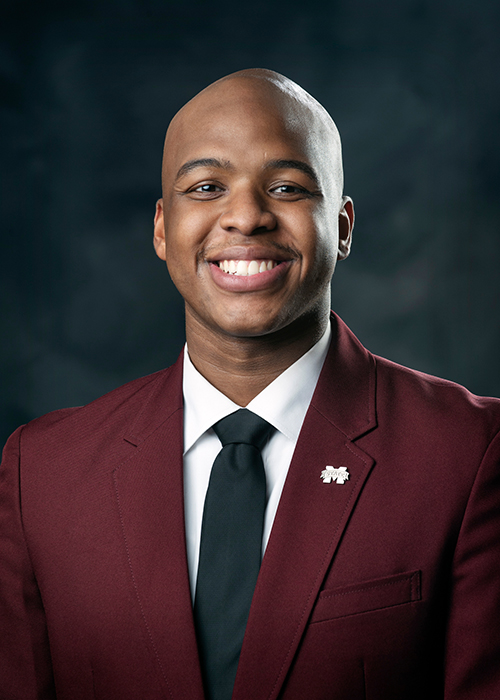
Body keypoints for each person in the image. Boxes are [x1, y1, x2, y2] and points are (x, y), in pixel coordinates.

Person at [1, 69, 499, 700]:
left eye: (288, 187)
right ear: (161, 227)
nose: (246, 217)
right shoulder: (42, 473)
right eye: (207, 186)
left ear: (342, 227)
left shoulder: (470, 453)